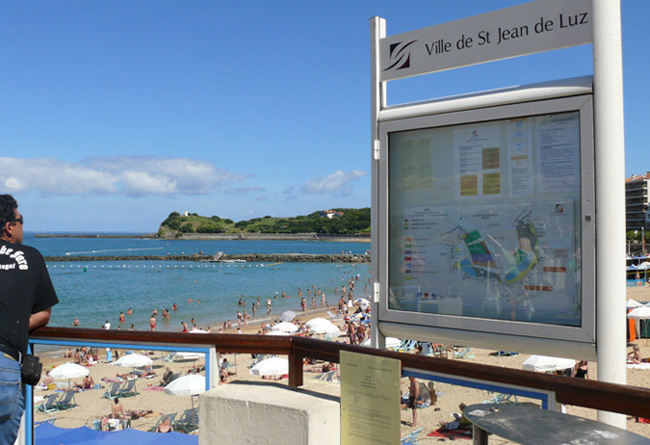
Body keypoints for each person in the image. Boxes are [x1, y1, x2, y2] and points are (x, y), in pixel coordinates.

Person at [0, 195, 59, 443]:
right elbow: (44, 314)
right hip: (5, 362)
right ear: (9, 227)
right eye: (21, 220)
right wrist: (12, 326)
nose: (23, 226)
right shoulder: (31, 256)